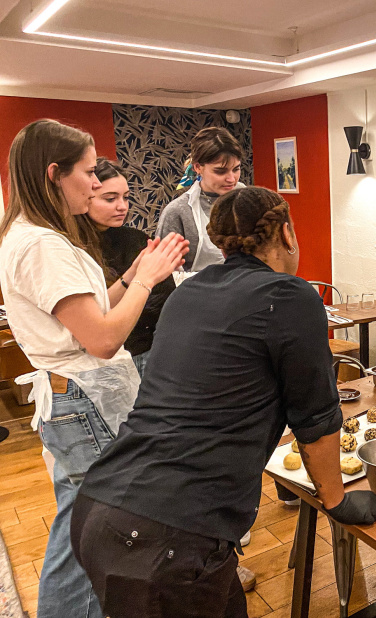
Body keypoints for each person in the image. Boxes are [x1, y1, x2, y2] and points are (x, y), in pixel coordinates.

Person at [71, 186, 376, 618]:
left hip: (102, 506)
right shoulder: (291, 297)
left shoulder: (187, 294)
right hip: (165, 536)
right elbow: (316, 420)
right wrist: (336, 502)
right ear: (287, 235)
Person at [0, 119, 187, 618]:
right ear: (54, 174)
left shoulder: (39, 236)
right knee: (94, 535)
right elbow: (103, 338)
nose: (94, 183)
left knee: (78, 526)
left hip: (75, 396)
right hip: (81, 399)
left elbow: (92, 312)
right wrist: (146, 281)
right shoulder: (41, 244)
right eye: (87, 172)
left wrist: (132, 274)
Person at [79, 157, 176, 376]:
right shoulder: (70, 249)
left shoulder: (134, 239)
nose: (122, 206)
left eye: (126, 197)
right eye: (110, 199)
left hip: (149, 349)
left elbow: (164, 298)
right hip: (99, 361)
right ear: (84, 197)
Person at [156, 127, 245, 272]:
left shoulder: (249, 200)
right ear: (198, 167)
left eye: (236, 169)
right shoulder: (178, 212)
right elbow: (163, 273)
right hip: (199, 292)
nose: (231, 179)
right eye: (220, 171)